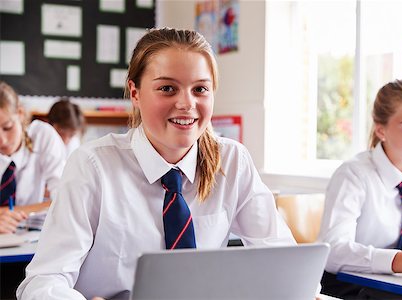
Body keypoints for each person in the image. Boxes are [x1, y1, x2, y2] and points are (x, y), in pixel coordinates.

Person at [17, 27, 295, 299]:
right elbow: (44, 281)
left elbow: (284, 262)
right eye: (167, 88)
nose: (187, 103)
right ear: (135, 93)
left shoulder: (232, 161)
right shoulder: (93, 165)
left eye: (200, 89)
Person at [318, 78, 402, 298]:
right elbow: (333, 251)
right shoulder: (354, 174)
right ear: (381, 130)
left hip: (399, 290)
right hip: (350, 291)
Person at [0, 81, 66, 234]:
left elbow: (63, 199)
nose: (2, 140)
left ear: (20, 114)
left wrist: (7, 214)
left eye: (7, 127)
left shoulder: (43, 136)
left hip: (30, 236)